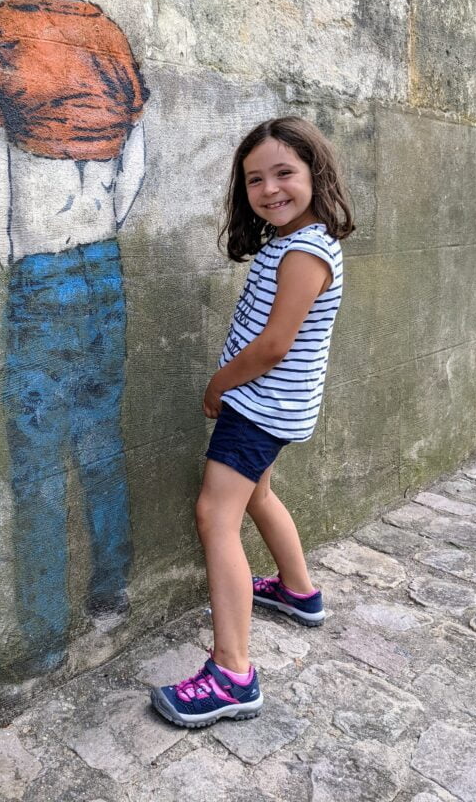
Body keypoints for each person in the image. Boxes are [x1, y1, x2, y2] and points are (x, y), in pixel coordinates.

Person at [0, 0, 148, 675]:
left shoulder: (5, 26)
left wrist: (7, 250)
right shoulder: (107, 34)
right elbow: (136, 156)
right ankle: (111, 588)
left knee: (38, 465)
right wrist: (107, 215)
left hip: (40, 268)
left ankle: (43, 640)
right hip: (101, 261)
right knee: (101, 438)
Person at [150, 117, 354, 728]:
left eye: (284, 173)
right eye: (254, 179)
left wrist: (218, 385)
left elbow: (274, 346)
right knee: (258, 492)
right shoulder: (295, 240)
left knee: (217, 514)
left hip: (260, 405)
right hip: (274, 405)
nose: (269, 189)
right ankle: (299, 591)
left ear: (315, 175)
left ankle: (232, 674)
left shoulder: (304, 249)